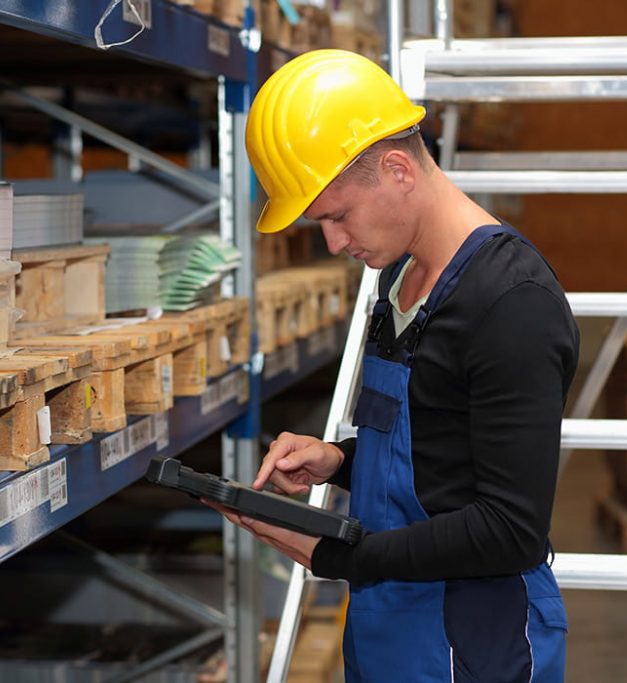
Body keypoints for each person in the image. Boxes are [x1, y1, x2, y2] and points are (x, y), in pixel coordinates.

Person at [208, 49, 580, 682]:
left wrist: (341, 555)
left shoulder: (511, 305)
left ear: (398, 169)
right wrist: (340, 459)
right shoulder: (400, 277)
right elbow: (438, 449)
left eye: (336, 216)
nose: (333, 242)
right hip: (391, 622)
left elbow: (511, 529)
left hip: (473, 641)